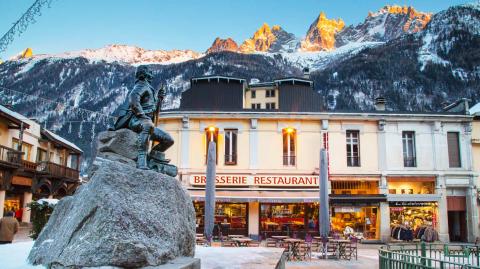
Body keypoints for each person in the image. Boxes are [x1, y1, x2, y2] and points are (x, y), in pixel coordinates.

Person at [113, 65, 174, 169]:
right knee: (147, 126)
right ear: (145, 74)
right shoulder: (141, 85)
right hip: (135, 120)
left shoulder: (148, 87)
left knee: (168, 139)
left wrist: (159, 99)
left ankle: (153, 158)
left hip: (146, 121)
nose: (152, 75)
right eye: (150, 72)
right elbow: (133, 99)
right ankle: (142, 159)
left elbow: (154, 110)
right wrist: (142, 116)